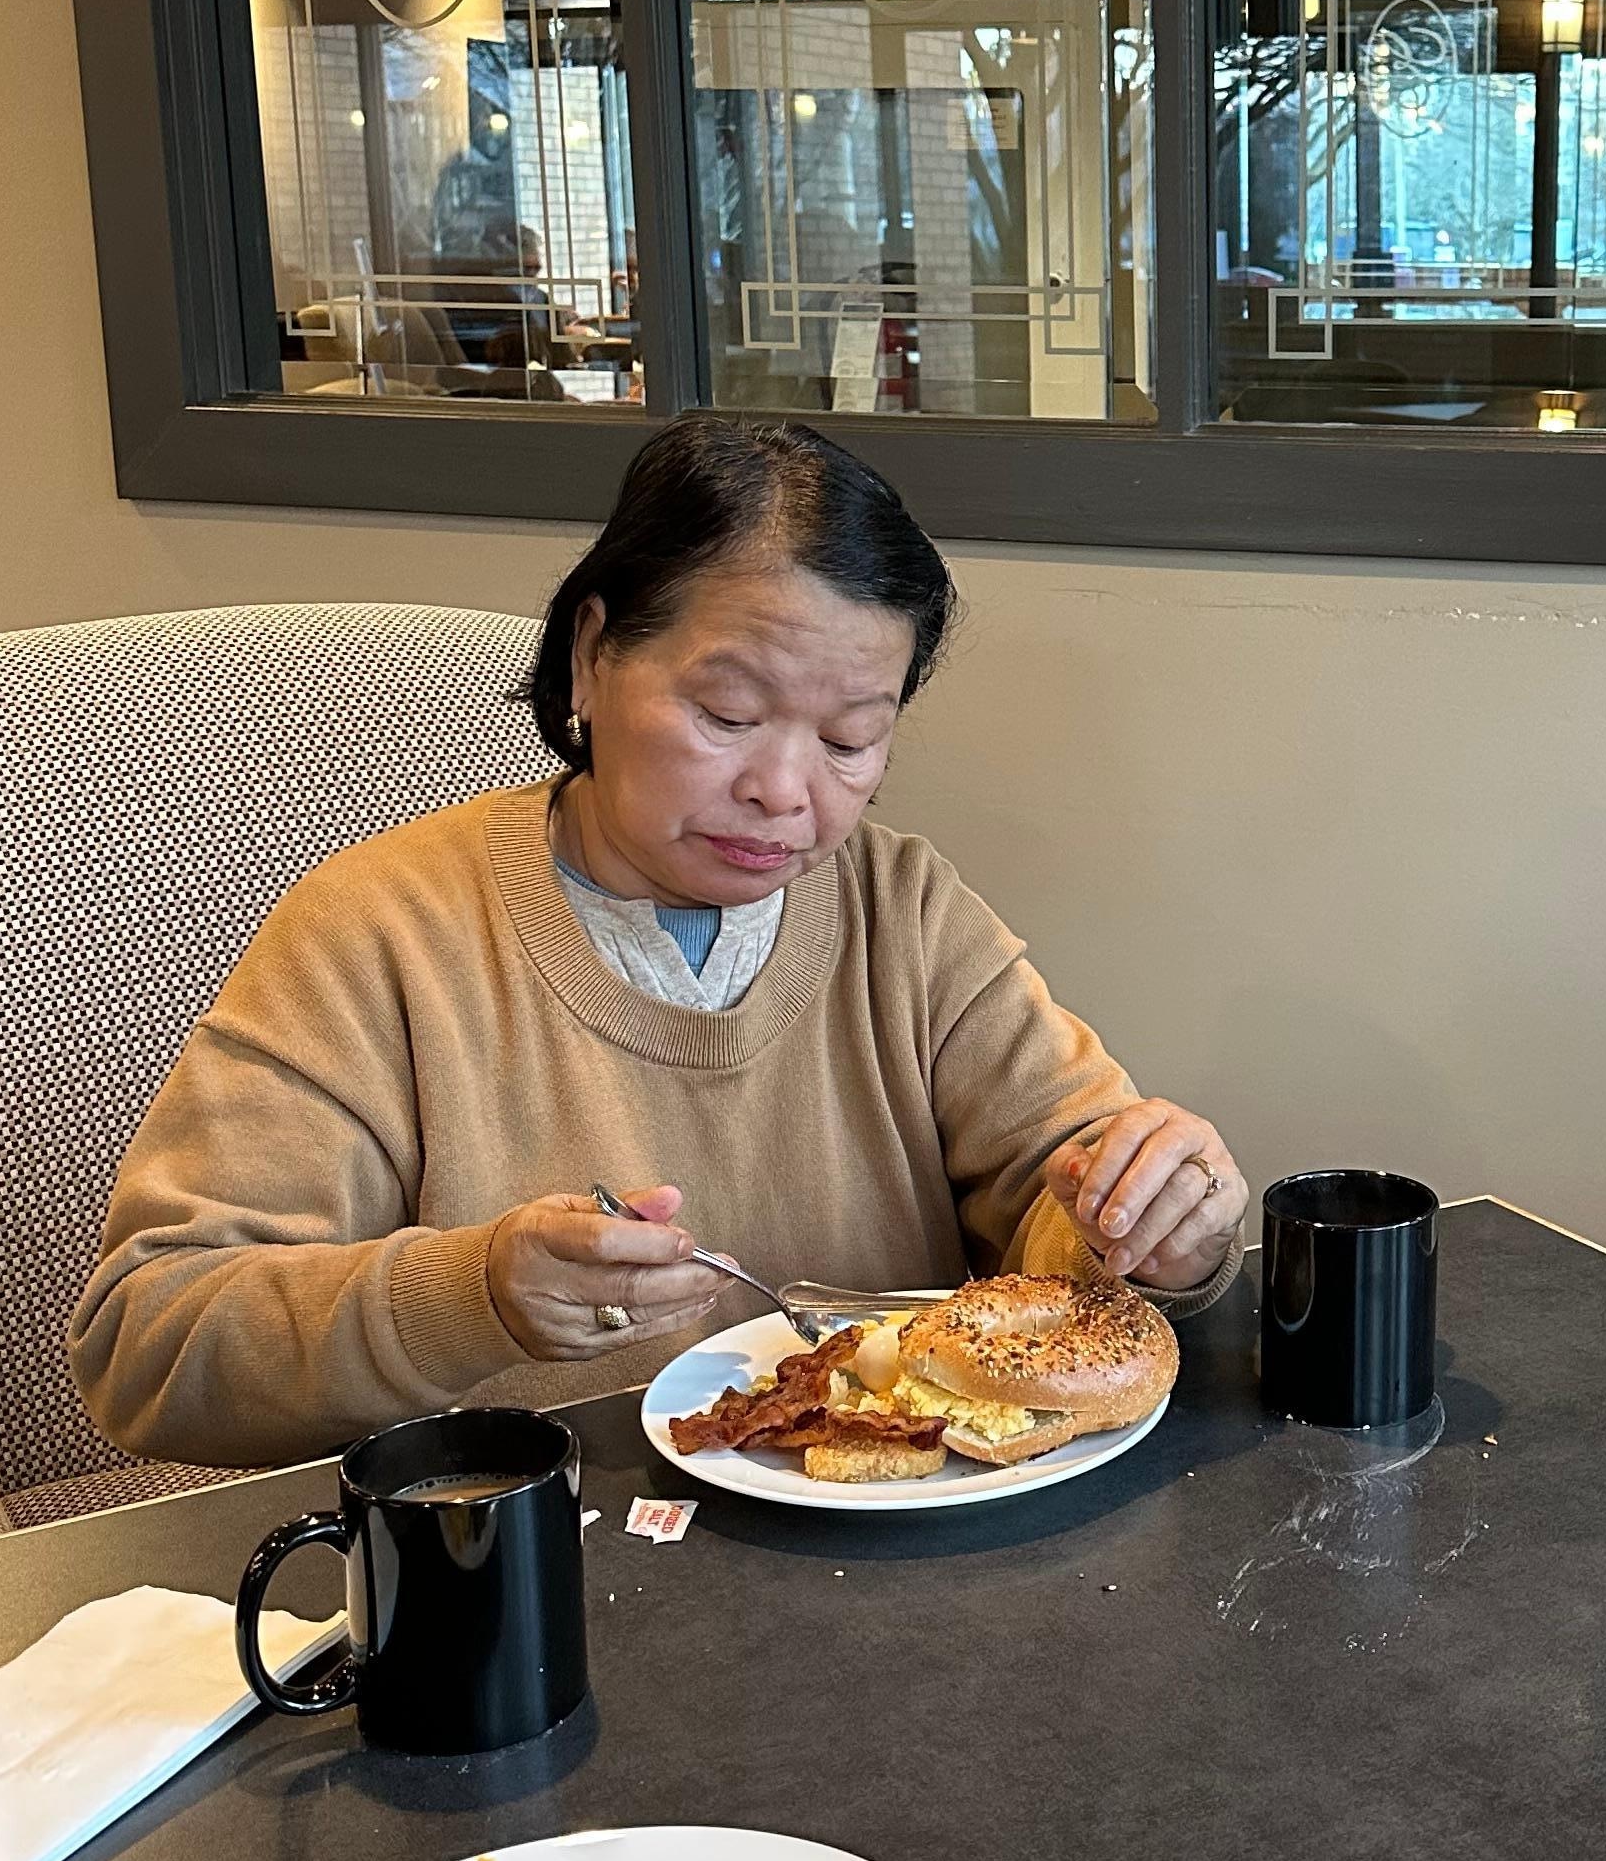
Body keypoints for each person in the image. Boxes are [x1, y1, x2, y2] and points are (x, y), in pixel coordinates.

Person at [71, 415, 1247, 1467]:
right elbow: (150, 1346)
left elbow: (1064, 1211)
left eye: (850, 740)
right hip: (531, 1593)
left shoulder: (906, 911)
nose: (787, 792)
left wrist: (1153, 1234)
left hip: (904, 1575)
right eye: (727, 716)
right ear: (592, 653)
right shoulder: (380, 936)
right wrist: (470, 1297)